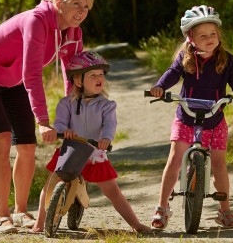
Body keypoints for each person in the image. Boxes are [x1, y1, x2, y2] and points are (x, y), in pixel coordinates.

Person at [0, 0, 94, 234]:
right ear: (59, 2)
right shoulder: (37, 21)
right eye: (76, 3)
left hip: (13, 80)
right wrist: (43, 120)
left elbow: (72, 72)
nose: (82, 11)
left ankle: (20, 211)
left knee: (26, 145)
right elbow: (32, 73)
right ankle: (2, 216)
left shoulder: (74, 33)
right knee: (1, 140)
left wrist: (71, 112)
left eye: (86, 7)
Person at [149, 5, 233, 230]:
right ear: (191, 37)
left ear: (219, 35)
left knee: (219, 164)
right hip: (186, 117)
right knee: (175, 158)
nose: (209, 39)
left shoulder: (227, 59)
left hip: (214, 119)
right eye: (203, 36)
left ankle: (225, 210)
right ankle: (162, 207)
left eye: (213, 34)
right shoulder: (185, 58)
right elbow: (171, 74)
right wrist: (159, 87)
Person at [31, 51, 153, 234]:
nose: (99, 79)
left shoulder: (107, 105)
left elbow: (110, 125)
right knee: (50, 185)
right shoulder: (66, 103)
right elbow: (60, 122)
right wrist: (65, 130)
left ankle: (136, 224)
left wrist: (106, 138)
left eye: (101, 75)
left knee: (114, 193)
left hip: (94, 154)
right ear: (78, 81)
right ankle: (39, 223)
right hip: (70, 151)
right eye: (93, 75)